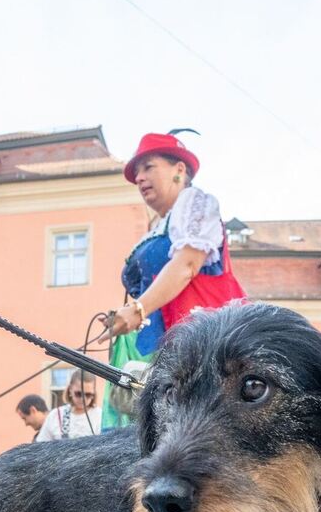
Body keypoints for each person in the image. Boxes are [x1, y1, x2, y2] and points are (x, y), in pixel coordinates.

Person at [103, 131, 247, 427]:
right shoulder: (158, 226)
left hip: (205, 341)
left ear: (179, 170)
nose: (139, 178)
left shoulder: (194, 203)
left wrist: (139, 309)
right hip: (163, 347)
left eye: (148, 167)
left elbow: (187, 264)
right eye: (136, 172)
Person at [35, 370, 103, 442]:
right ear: (70, 390)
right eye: (78, 394)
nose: (83, 399)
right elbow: (41, 445)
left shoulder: (101, 416)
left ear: (94, 393)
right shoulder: (55, 415)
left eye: (88, 394)